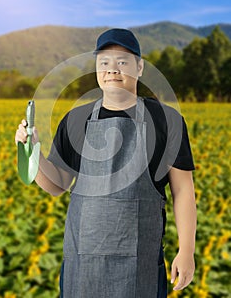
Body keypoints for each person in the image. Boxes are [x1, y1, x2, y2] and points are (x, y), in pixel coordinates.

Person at [15, 28, 197, 298]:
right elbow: (56, 185)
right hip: (83, 266)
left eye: (122, 61)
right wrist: (33, 152)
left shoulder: (166, 120)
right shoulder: (76, 119)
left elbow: (183, 190)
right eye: (104, 62)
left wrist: (187, 251)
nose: (112, 69)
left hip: (139, 267)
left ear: (140, 67)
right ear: (96, 68)